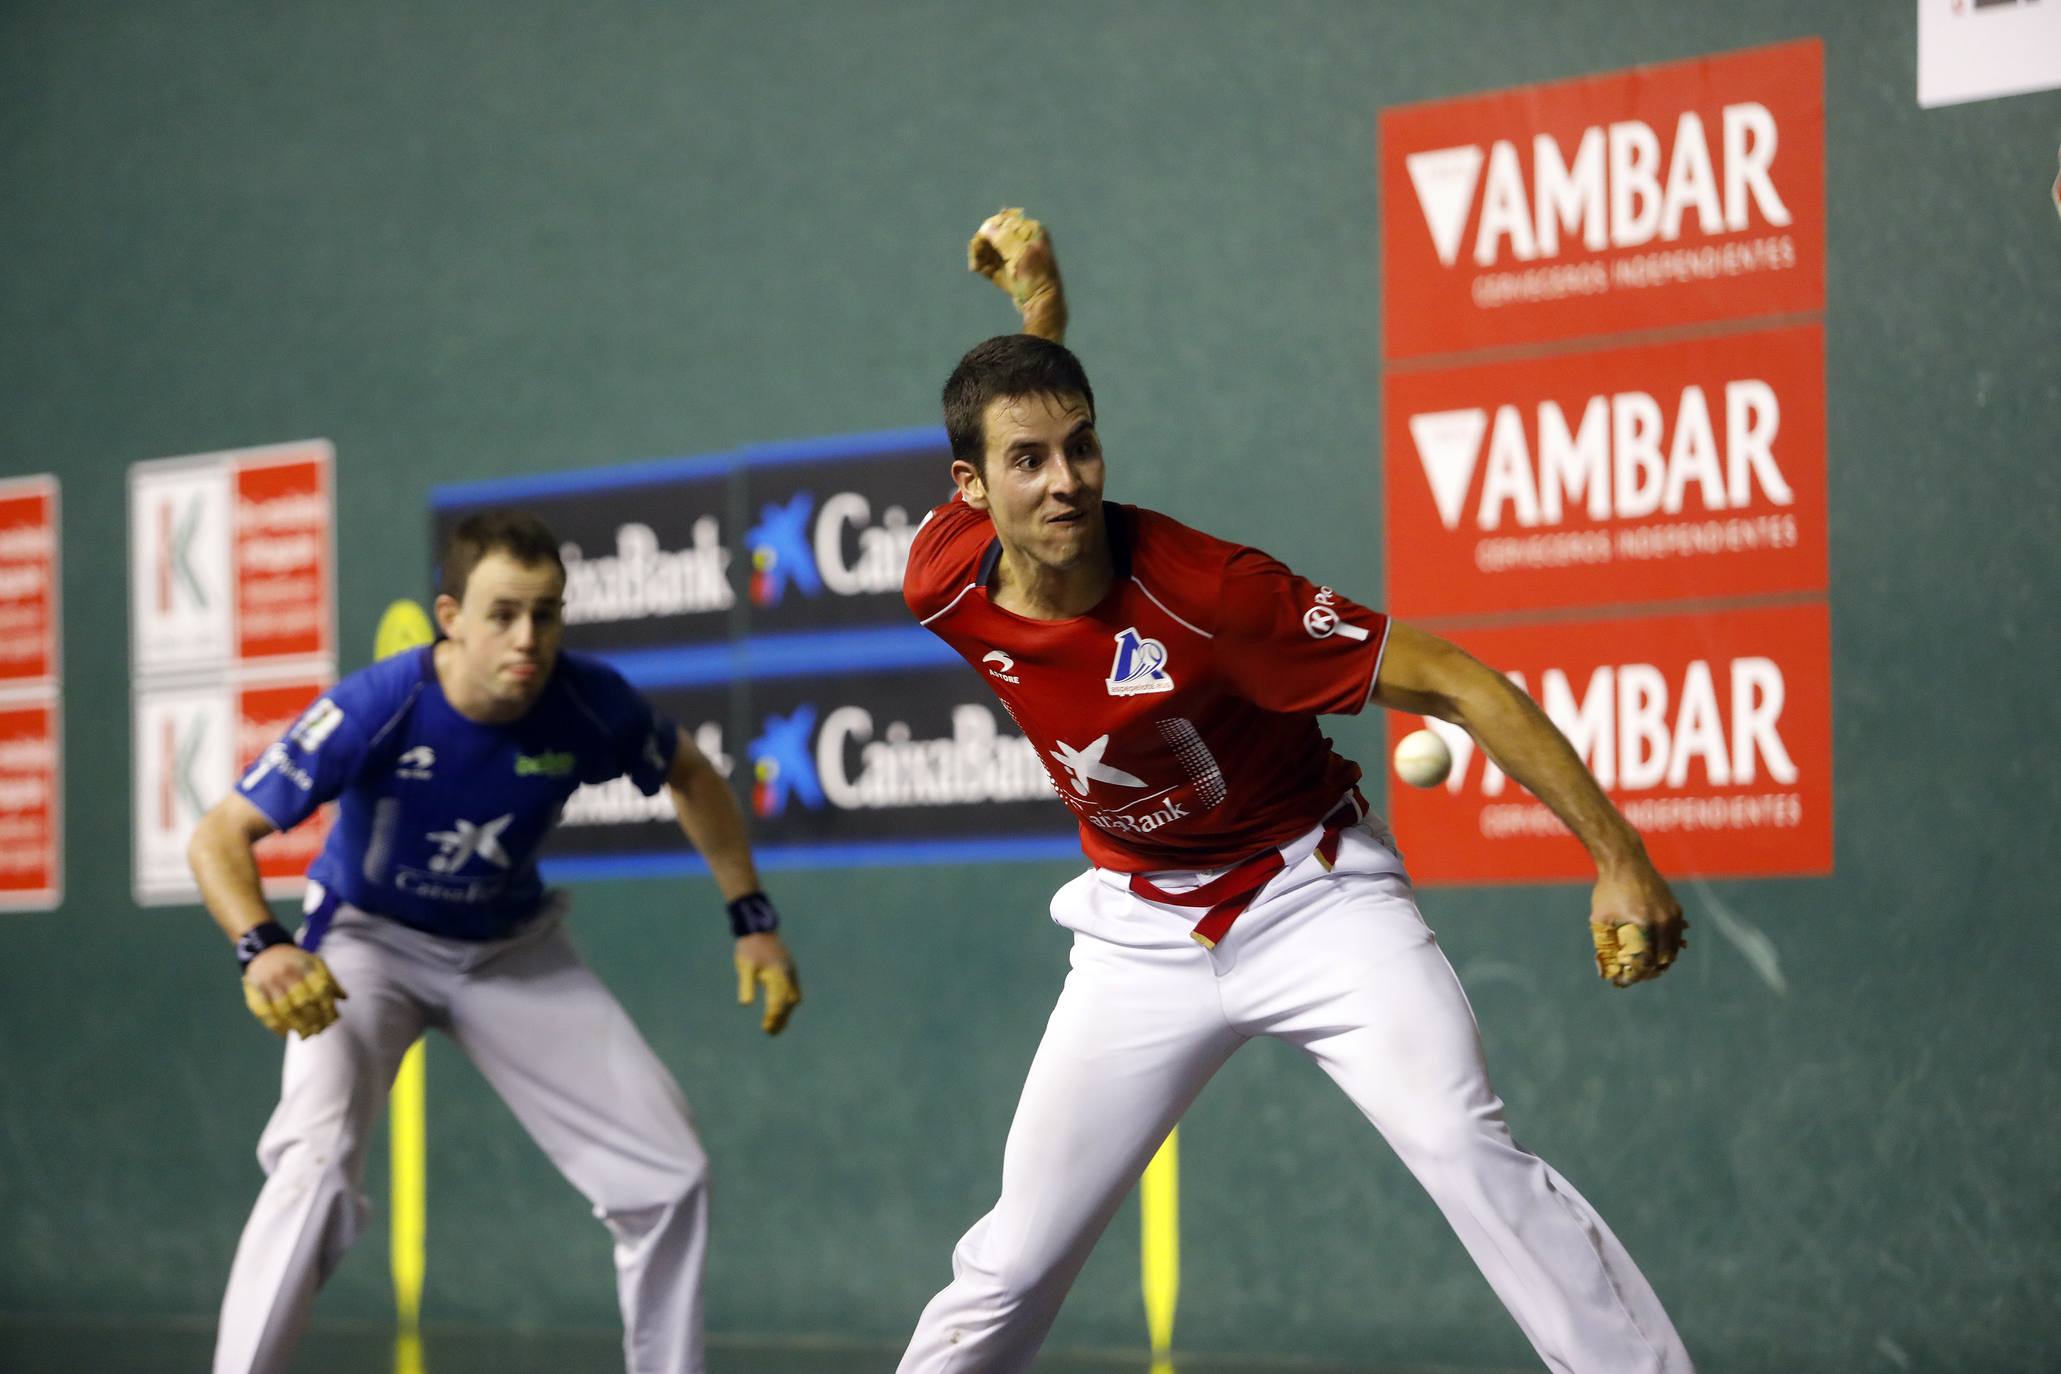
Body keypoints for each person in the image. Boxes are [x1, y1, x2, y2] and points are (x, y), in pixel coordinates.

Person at [895, 210, 1694, 1373]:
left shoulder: (1218, 597)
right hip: (1139, 934)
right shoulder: (940, 580)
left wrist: (1620, 858)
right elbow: (1018, 408)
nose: (1065, 483)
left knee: (1461, 1144)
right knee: (1011, 1261)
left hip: (1316, 900)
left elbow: (1463, 684)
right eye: (1029, 461)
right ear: (970, 491)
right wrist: (1040, 316)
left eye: (1084, 447)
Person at [190, 509, 801, 1374]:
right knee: (314, 1166)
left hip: (511, 950)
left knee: (668, 1173)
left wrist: (753, 920)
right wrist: (265, 945)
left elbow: (692, 774)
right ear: (451, 618)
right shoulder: (378, 706)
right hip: (368, 947)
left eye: (547, 614)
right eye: (504, 614)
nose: (528, 638)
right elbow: (219, 835)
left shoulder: (589, 702)